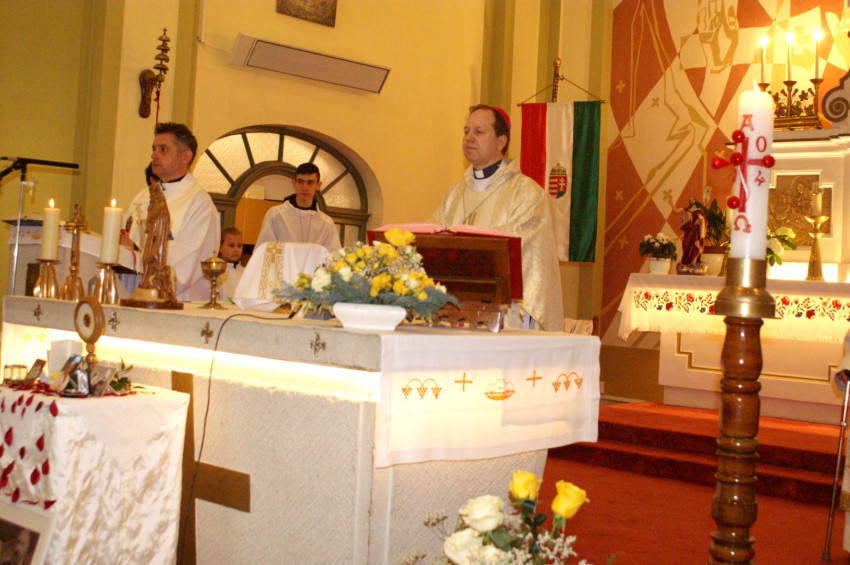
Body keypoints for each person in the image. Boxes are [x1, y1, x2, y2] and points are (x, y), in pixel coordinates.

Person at [430, 104, 563, 331]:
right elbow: (430, 239)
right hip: (451, 312)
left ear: (501, 142)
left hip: (503, 315)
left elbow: (523, 252)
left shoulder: (526, 193)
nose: (469, 137)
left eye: (479, 132)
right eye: (466, 131)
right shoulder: (453, 194)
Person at [121, 122, 220, 301]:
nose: (153, 155)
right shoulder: (143, 196)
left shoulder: (199, 203)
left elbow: (188, 263)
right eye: (154, 149)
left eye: (163, 149)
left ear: (185, 156)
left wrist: (136, 249)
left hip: (176, 302)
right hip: (133, 293)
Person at [254, 162, 341, 251]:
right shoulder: (276, 215)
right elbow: (264, 250)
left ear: (318, 185)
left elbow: (333, 256)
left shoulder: (326, 223)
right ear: (294, 183)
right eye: (300, 182)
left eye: (310, 183)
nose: (305, 188)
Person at [677, 196, 707, 266]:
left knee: (696, 245)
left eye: (692, 199)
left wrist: (700, 219)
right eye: (690, 200)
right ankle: (687, 260)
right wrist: (672, 204)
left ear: (695, 201)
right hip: (689, 230)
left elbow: (704, 220)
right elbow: (676, 210)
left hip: (696, 231)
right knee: (685, 243)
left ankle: (694, 261)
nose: (691, 201)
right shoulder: (687, 210)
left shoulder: (699, 210)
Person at [218, 226, 244, 300]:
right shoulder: (217, 272)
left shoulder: (245, 272)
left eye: (239, 246)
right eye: (231, 246)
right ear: (220, 248)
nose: (236, 250)